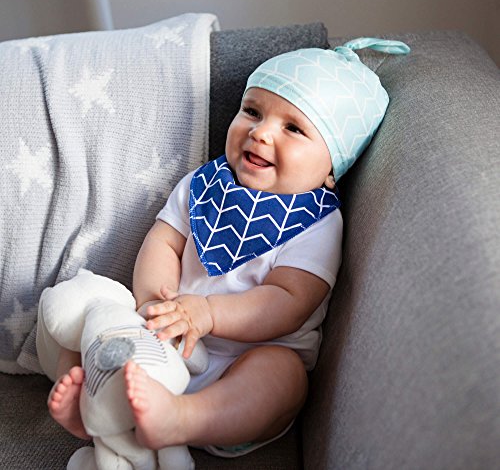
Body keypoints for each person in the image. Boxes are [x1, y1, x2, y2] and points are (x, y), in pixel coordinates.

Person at [46, 38, 410, 457]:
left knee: (285, 376)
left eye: (293, 128)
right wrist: (153, 303)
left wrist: (209, 313)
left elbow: (289, 300)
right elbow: (164, 241)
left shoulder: (317, 223)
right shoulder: (205, 185)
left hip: (242, 363)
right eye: (252, 111)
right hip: (165, 338)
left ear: (332, 169)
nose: (260, 132)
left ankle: (183, 418)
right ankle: (95, 406)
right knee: (90, 308)